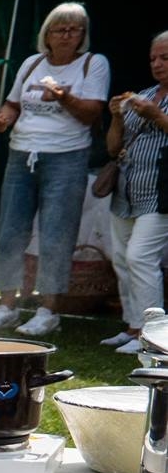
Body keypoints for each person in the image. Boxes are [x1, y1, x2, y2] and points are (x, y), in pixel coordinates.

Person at [0, 2, 111, 335]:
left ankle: (48, 311)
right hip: (21, 153)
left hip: (67, 156)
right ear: (47, 35)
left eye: (74, 30)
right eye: (60, 29)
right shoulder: (31, 63)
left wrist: (64, 98)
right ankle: (6, 306)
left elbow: (93, 113)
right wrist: (4, 118)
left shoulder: (93, 64)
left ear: (83, 35)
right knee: (11, 230)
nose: (67, 36)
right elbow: (13, 102)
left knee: (56, 233)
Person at [99, 30, 168, 351]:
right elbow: (114, 148)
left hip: (161, 194)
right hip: (127, 191)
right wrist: (115, 116)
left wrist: (158, 117)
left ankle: (152, 337)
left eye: (165, 58)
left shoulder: (152, 104)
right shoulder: (143, 93)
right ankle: (132, 327)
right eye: (153, 58)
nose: (157, 64)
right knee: (122, 259)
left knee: (141, 257)